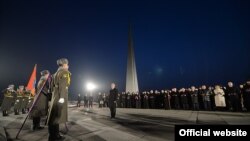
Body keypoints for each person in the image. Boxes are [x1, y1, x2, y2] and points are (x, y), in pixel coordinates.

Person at [46, 58, 71, 141]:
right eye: (67, 64)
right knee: (56, 117)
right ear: (64, 65)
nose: (68, 66)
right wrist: (62, 97)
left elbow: (51, 86)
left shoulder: (55, 73)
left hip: (55, 95)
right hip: (60, 96)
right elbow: (63, 86)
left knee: (54, 117)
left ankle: (54, 134)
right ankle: (54, 136)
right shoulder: (64, 72)